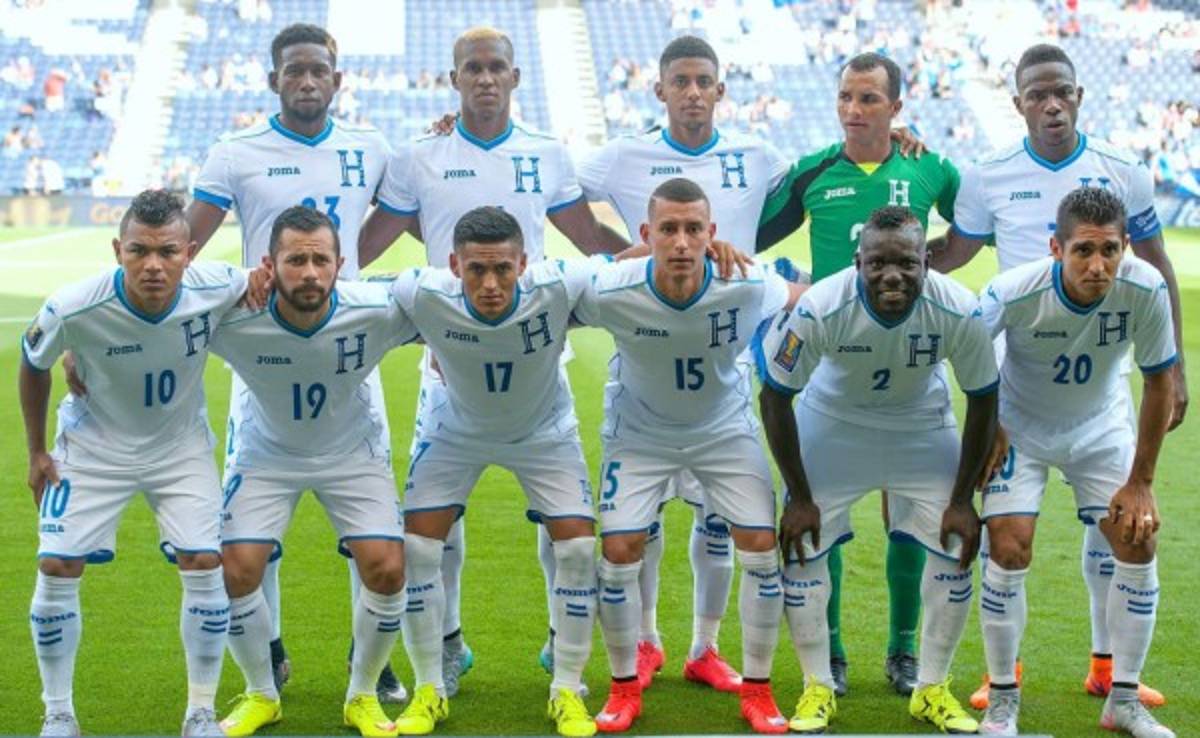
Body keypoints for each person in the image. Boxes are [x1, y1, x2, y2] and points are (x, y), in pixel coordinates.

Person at [357, 25, 630, 698]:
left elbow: (589, 239)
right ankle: (447, 642)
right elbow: (370, 244)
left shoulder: (545, 152)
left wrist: (664, 262)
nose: (484, 78)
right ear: (454, 80)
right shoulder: (419, 154)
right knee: (436, 529)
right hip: (449, 366)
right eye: (472, 68)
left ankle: (555, 637)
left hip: (538, 362)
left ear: (515, 77)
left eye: (496, 68)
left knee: (560, 523)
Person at [932, 42, 1182, 710]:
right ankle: (999, 677)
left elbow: (1156, 264)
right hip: (1020, 384)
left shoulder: (1122, 174)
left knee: (1123, 531)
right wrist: (884, 256)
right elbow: (954, 255)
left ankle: (1109, 672)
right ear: (1018, 104)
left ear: (1077, 96)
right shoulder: (989, 176)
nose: (1051, 105)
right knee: (1010, 543)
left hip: (1100, 383)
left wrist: (1176, 364)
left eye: (1061, 92)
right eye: (1037, 95)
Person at [187, 22, 403, 702]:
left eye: (319, 72)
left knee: (367, 521)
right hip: (266, 345)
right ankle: (269, 650)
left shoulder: (371, 148)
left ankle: (372, 662)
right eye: (294, 71)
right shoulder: (235, 151)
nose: (307, 82)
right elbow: (184, 249)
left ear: (338, 80)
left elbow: (411, 212)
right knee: (253, 523)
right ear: (273, 78)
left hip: (346, 348)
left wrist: (349, 278)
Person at [574, 35, 792, 691]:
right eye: (681, 81)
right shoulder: (622, 155)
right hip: (652, 336)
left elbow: (796, 204)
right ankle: (644, 641)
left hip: (727, 334)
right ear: (660, 89)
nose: (693, 92)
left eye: (705, 81)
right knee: (641, 521)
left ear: (720, 90)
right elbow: (553, 196)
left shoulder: (759, 154)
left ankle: (705, 645)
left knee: (717, 518)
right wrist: (623, 256)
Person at [756, 51, 961, 697]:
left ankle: (904, 653)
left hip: (910, 357)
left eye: (869, 99)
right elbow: (749, 233)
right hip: (831, 361)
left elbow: (975, 227)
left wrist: (934, 273)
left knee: (909, 514)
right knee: (825, 516)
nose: (854, 110)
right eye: (846, 96)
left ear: (896, 107)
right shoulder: (816, 170)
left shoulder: (930, 166)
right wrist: (790, 293)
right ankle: (835, 654)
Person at [757, 206, 998, 734]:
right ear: (857, 261)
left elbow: (983, 398)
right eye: (878, 263)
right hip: (835, 423)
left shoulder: (960, 309)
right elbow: (775, 397)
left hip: (920, 425)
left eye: (907, 263)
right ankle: (817, 686)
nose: (893, 275)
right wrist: (798, 495)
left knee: (956, 544)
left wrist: (961, 500)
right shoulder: (821, 306)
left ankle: (931, 688)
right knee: (802, 545)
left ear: (927, 263)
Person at [19, 190, 249, 737]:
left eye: (168, 252)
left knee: (203, 563)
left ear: (190, 252)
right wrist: (35, 450)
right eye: (138, 251)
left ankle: (199, 712)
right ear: (117, 249)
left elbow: (265, 282)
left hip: (180, 448)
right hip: (93, 447)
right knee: (56, 565)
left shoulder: (218, 285)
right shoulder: (74, 305)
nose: (153, 265)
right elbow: (33, 364)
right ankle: (58, 714)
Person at [387, 207, 605, 738]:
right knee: (416, 550)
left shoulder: (558, 285)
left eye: (503, 269)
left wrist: (702, 254)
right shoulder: (421, 293)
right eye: (476, 270)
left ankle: (567, 689)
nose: (490, 283)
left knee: (577, 549)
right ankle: (428, 689)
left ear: (524, 263)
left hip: (544, 431)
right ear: (452, 264)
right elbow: (342, 293)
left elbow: (629, 267)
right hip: (453, 430)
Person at [975, 187, 1177, 737]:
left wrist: (1142, 481)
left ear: (1125, 247)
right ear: (1055, 249)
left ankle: (1124, 700)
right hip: (1021, 427)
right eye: (1083, 250)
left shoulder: (1145, 286)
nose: (1098, 265)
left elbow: (1160, 382)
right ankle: (1002, 699)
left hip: (1101, 426)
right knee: (1009, 545)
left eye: (1110, 250)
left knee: (1137, 537)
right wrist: (988, 425)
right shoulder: (1013, 291)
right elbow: (967, 354)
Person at [209, 207, 415, 737]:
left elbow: (446, 296)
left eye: (320, 259)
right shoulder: (235, 314)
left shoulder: (375, 307)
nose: (309, 272)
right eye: (294, 259)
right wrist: (80, 358)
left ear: (340, 264)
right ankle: (261, 692)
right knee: (233, 571)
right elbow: (163, 306)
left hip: (352, 455)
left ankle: (362, 695)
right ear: (268, 265)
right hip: (266, 456)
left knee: (388, 569)